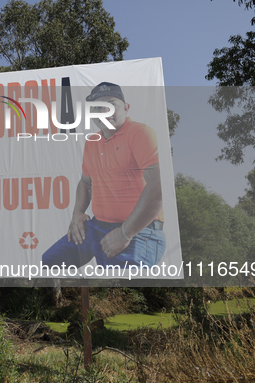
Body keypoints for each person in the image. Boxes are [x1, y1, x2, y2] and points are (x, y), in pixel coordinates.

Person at [42, 82, 165, 268]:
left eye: (110, 105)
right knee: (48, 262)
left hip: (140, 231)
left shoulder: (140, 133)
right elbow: (85, 183)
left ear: (126, 107)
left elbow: (158, 187)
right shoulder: (92, 142)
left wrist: (124, 233)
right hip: (97, 227)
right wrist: (77, 213)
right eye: (97, 108)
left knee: (121, 282)